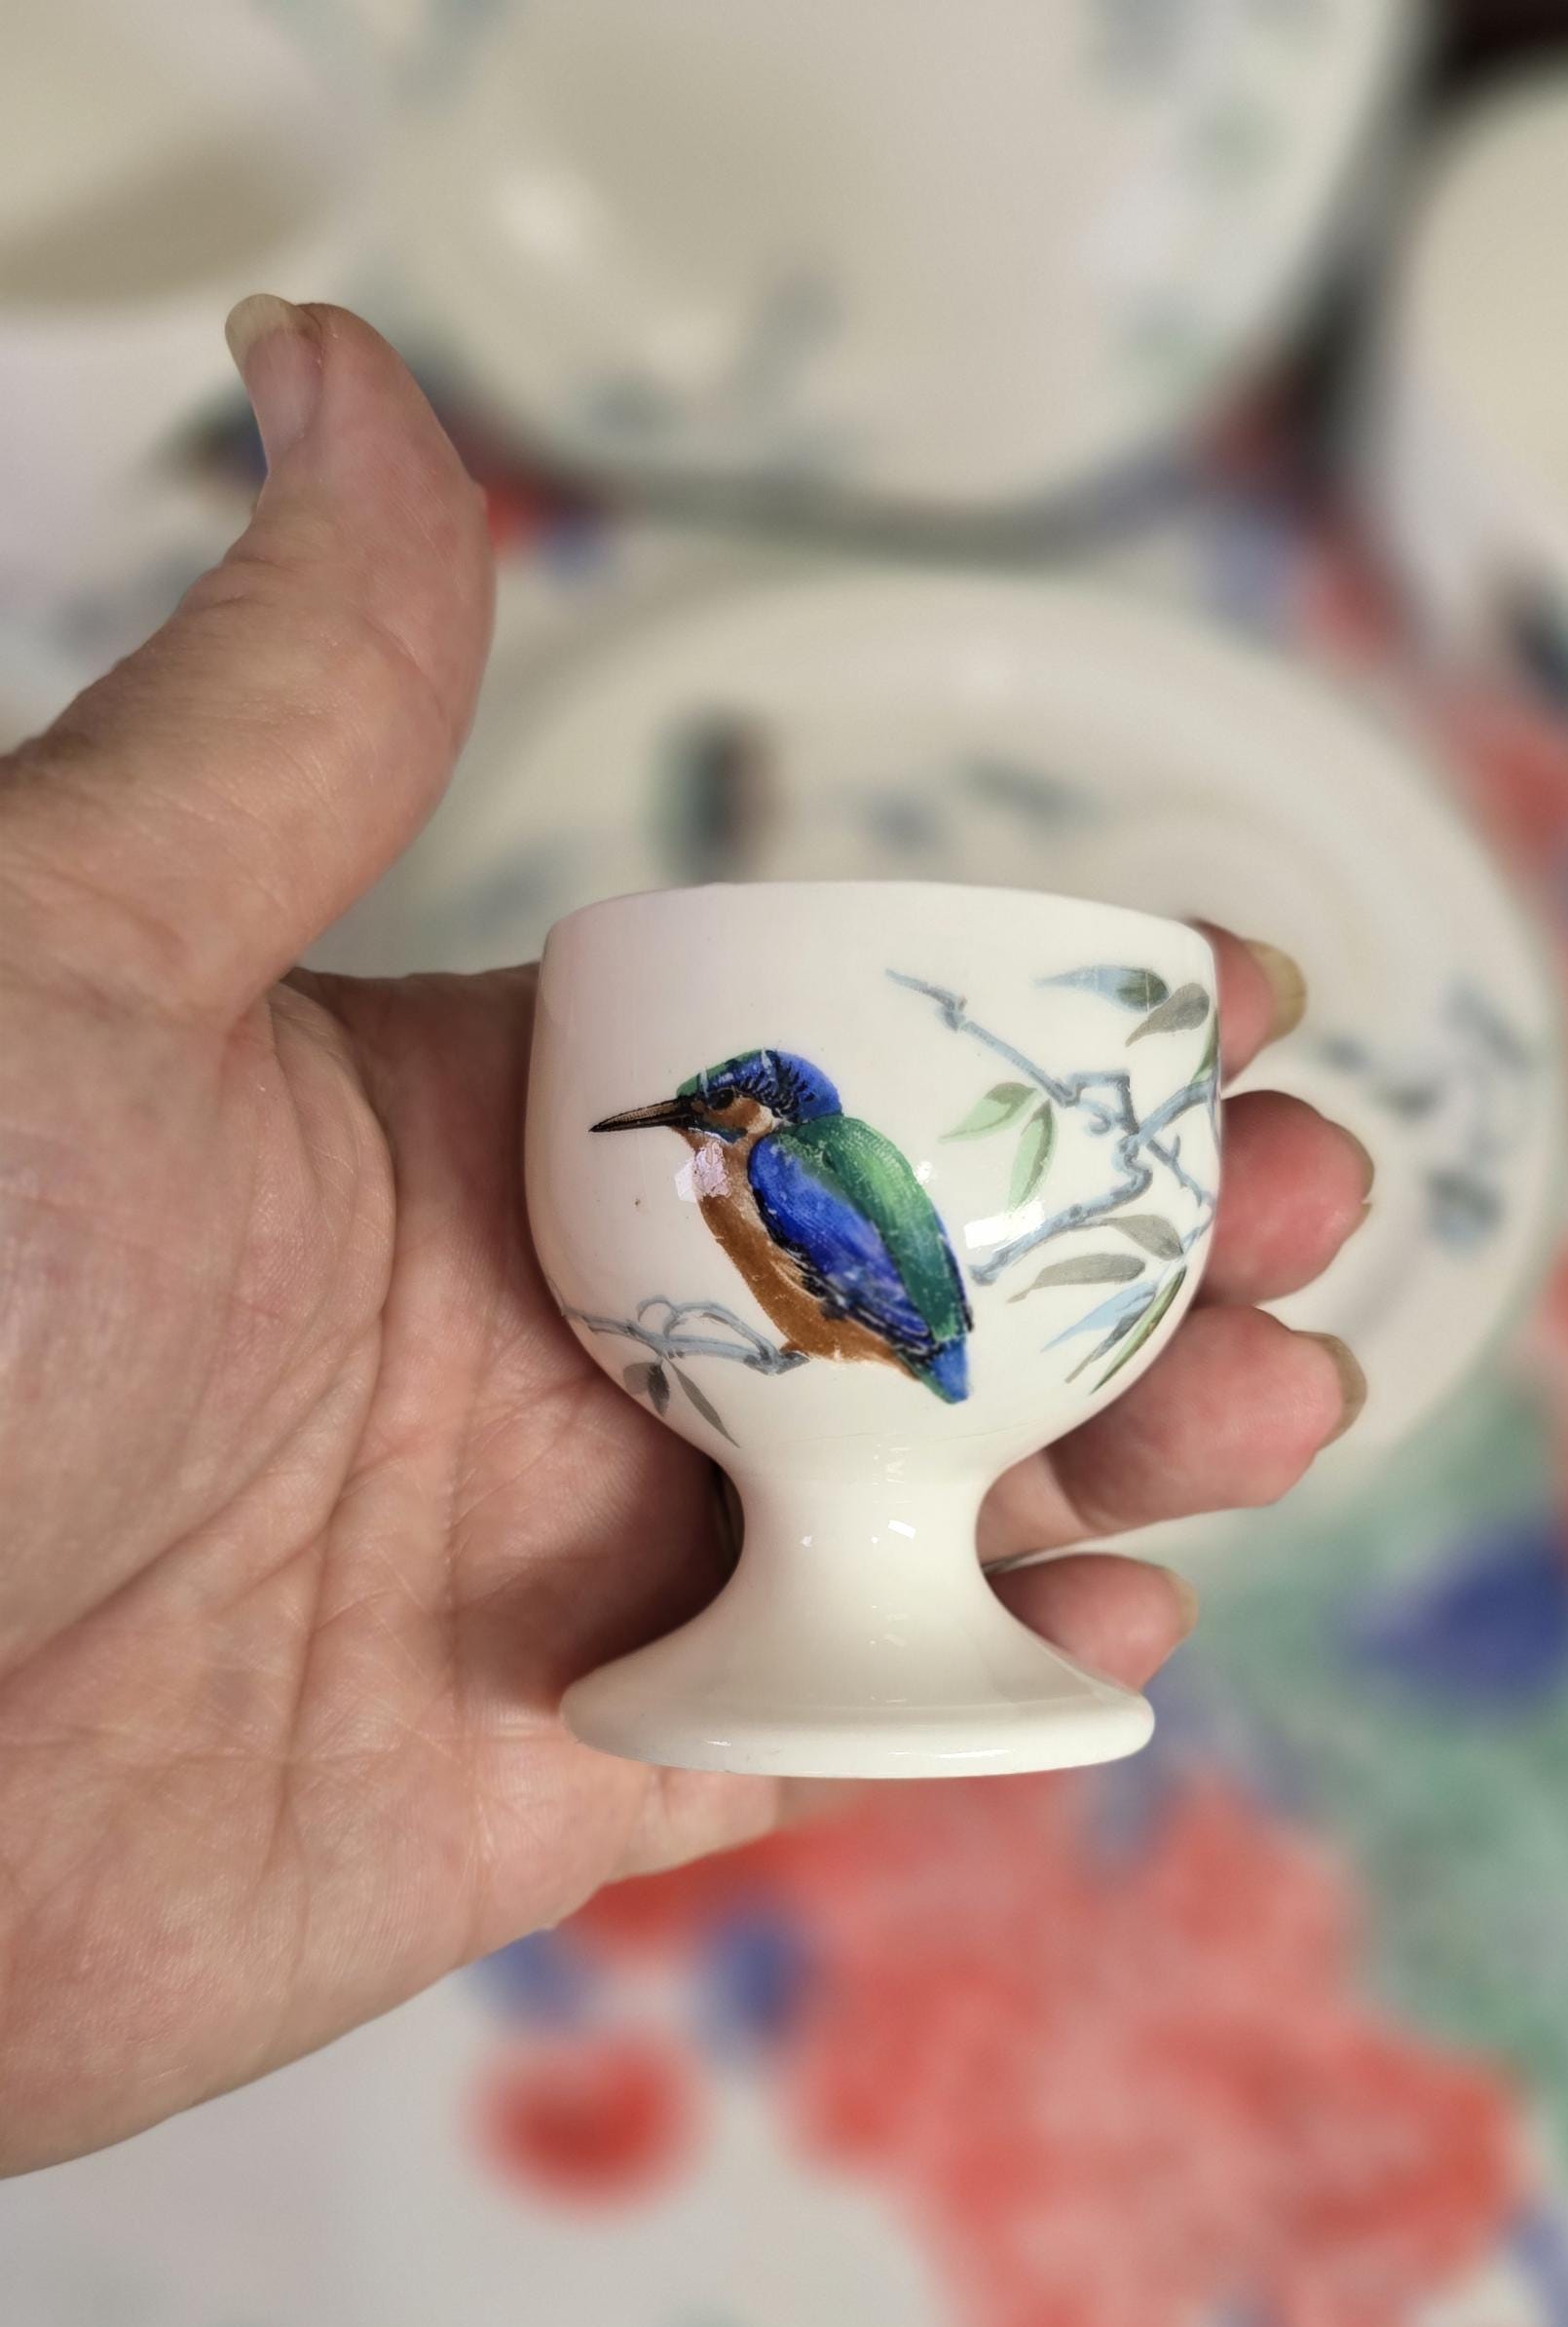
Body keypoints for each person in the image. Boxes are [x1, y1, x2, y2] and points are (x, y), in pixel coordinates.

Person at [0, 302, 1372, 2175]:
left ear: (763, 1114)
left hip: (898, 1336)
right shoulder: (756, 1168)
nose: (692, 1133)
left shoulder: (782, 1177)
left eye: (708, 1113)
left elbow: (853, 1274)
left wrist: (846, 1340)